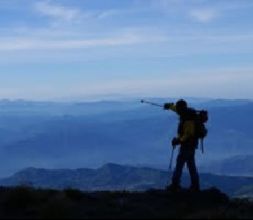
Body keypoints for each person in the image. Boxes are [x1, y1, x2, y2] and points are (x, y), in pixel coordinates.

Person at [164, 99, 200, 192]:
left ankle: (175, 184)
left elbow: (188, 135)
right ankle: (195, 185)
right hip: (191, 145)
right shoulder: (185, 113)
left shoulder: (188, 119)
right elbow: (176, 109)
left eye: (179, 109)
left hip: (187, 145)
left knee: (180, 163)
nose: (178, 111)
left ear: (182, 108)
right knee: (191, 165)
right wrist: (169, 106)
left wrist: (178, 141)